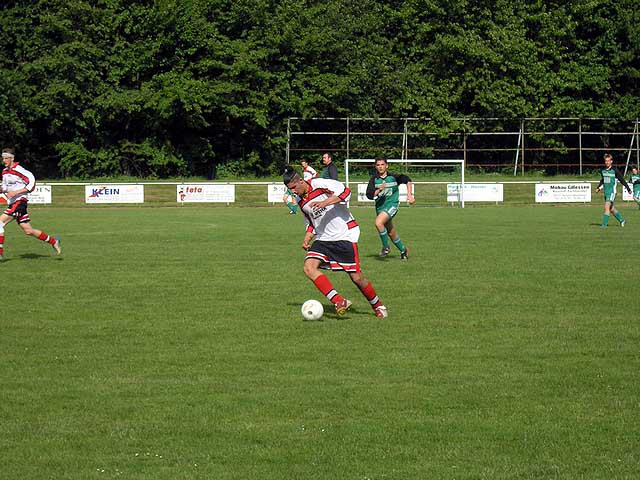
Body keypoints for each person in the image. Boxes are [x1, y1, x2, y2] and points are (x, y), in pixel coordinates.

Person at [283, 166, 388, 318]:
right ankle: (339, 301)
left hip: (344, 234)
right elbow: (311, 222)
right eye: (289, 189)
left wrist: (325, 202)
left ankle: (378, 306)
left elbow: (346, 192)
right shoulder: (300, 201)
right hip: (323, 239)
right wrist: (307, 236)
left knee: (357, 278)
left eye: (293, 187)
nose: (293, 191)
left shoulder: (319, 184)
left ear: (300, 180)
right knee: (309, 268)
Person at [0, 148, 61, 260]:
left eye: (6, 158)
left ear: (12, 158)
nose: (4, 160)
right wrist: (2, 189)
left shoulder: (20, 170)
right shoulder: (4, 171)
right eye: (3, 158)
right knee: (28, 230)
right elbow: (5, 187)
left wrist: (16, 192)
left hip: (20, 202)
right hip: (13, 203)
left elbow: (31, 184)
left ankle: (0, 252)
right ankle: (54, 241)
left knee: (0, 223)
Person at [366, 158, 415, 259]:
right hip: (380, 207)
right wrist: (379, 190)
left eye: (382, 164)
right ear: (376, 167)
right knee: (390, 232)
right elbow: (369, 195)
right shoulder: (374, 179)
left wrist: (409, 195)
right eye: (378, 165)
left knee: (378, 223)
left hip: (392, 204)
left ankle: (386, 247)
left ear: (386, 166)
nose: (380, 166)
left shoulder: (394, 177)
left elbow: (408, 180)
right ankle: (403, 250)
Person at [595, 153, 632, 227]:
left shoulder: (615, 170)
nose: (607, 162)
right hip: (606, 192)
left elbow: (622, 180)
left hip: (612, 192)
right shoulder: (603, 171)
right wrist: (598, 188)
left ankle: (604, 225)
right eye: (606, 161)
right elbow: (603, 180)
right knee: (611, 209)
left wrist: (628, 189)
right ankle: (622, 220)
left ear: (611, 161)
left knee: (606, 207)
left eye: (608, 161)